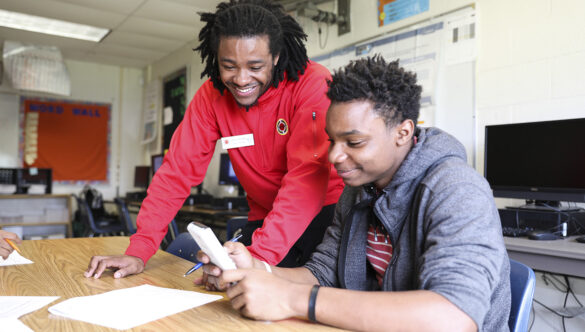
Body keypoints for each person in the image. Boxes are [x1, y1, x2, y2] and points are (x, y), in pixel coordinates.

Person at [199, 56, 511, 331]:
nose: (334, 157)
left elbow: (452, 318)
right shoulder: (358, 190)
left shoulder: (457, 191)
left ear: (403, 132)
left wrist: (294, 300)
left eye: (354, 142)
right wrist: (257, 270)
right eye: (332, 141)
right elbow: (322, 273)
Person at [85, 0, 344, 279]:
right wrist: (140, 249)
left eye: (255, 66)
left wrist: (257, 259)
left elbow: (306, 179)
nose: (242, 79)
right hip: (263, 216)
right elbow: (176, 172)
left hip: (324, 215)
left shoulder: (312, 84)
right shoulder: (211, 96)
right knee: (222, 288)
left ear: (277, 57)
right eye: (229, 66)